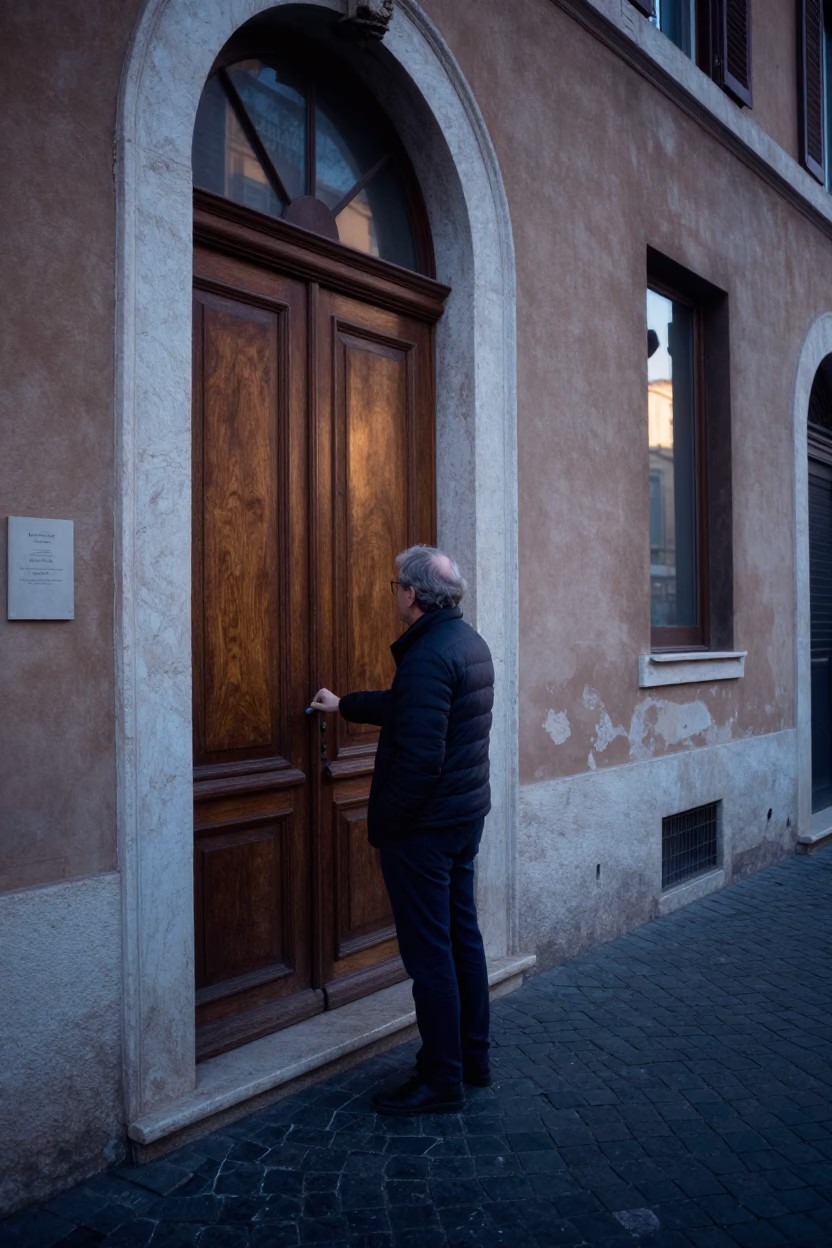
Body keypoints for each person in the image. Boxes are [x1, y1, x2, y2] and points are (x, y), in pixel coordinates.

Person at [311, 545, 494, 1115]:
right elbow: (411, 707)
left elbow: (419, 760)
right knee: (462, 940)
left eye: (397, 585)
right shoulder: (465, 643)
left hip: (425, 831)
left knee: (430, 955)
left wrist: (385, 826)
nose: (394, 592)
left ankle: (441, 1079)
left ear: (411, 595)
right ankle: (472, 1058)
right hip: (462, 821)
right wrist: (345, 706)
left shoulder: (428, 654)